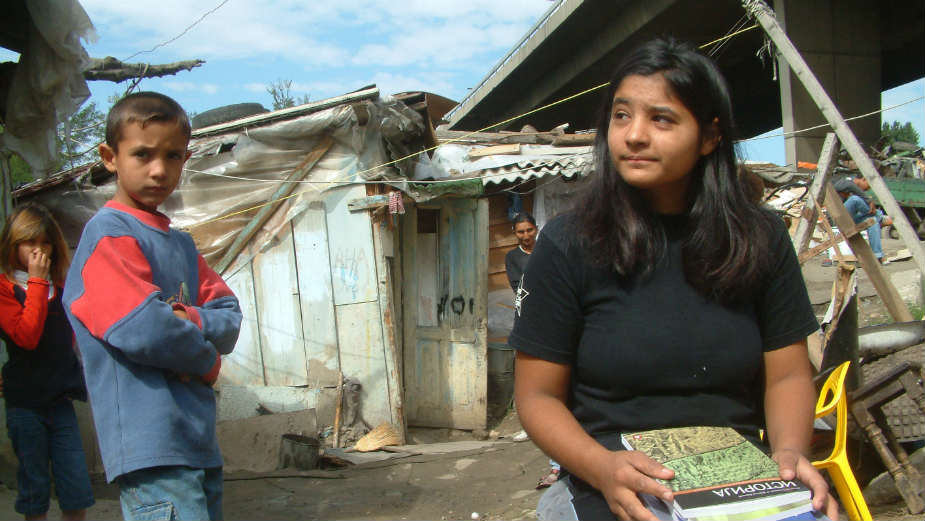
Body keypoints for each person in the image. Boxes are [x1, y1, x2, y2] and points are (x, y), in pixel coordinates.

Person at [509, 37, 838, 521]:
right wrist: (601, 468)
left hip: (737, 478)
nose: (634, 135)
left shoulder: (760, 236)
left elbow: (788, 373)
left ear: (709, 137)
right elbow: (536, 396)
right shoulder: (566, 243)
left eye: (661, 118)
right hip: (611, 479)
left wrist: (788, 453)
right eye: (621, 116)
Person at [62, 92, 242, 521]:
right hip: (150, 444)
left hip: (197, 439)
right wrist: (207, 363)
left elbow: (231, 318)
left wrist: (192, 317)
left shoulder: (179, 243)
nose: (159, 170)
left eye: (173, 156)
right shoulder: (108, 236)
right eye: (142, 154)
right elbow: (146, 329)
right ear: (110, 156)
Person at [0, 203, 95, 521]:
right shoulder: (5, 289)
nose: (39, 250)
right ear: (13, 246)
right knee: (35, 493)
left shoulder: (62, 289)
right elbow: (26, 336)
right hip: (25, 406)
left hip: (60, 403)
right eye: (30, 243)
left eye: (45, 242)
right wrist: (38, 282)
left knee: (76, 489)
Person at [833, 177, 891, 263]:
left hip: (850, 219)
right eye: (868, 186)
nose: (867, 189)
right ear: (864, 179)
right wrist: (868, 200)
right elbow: (848, 186)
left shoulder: (852, 189)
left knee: (873, 221)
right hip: (839, 217)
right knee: (855, 199)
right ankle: (880, 216)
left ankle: (877, 255)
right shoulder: (846, 182)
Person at [504, 212, 538, 292]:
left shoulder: (547, 250)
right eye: (521, 232)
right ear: (514, 233)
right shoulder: (512, 257)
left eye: (529, 230)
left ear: (536, 229)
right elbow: (517, 287)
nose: (526, 236)